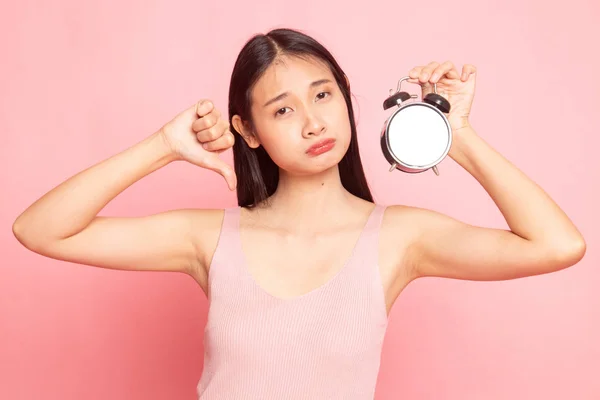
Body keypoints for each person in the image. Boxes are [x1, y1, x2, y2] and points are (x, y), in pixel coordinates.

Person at [12, 28, 586, 399]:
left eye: (323, 94)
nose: (313, 122)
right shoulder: (209, 237)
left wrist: (454, 134)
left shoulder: (399, 237)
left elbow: (557, 245)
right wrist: (161, 146)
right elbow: (38, 229)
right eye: (282, 108)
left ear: (345, 97)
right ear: (248, 131)